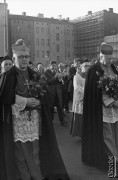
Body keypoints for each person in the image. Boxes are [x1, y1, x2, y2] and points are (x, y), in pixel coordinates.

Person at [0, 39, 70, 180]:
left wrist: (39, 100)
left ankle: (36, 176)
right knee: (20, 153)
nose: (24, 60)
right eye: (20, 57)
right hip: (17, 121)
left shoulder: (35, 75)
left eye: (26, 57)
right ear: (14, 58)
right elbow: (4, 99)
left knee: (35, 150)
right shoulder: (7, 76)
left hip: (35, 120)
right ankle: (24, 176)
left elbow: (44, 95)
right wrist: (25, 101)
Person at [82, 42, 118, 171]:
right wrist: (111, 101)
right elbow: (95, 92)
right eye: (108, 59)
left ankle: (114, 154)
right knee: (107, 135)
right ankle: (113, 158)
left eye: (111, 59)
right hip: (102, 109)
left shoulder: (112, 68)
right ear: (101, 56)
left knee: (114, 132)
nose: (110, 61)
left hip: (116, 108)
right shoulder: (94, 70)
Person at [45, 60, 69, 126]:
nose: (54, 66)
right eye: (52, 65)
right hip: (51, 92)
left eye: (55, 65)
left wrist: (61, 79)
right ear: (49, 66)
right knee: (51, 107)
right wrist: (55, 77)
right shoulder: (47, 72)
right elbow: (48, 82)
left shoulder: (57, 71)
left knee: (60, 106)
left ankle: (62, 120)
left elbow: (59, 82)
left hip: (58, 92)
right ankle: (51, 120)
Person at [70, 62, 90, 138]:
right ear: (81, 67)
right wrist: (87, 90)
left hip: (88, 98)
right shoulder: (77, 76)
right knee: (80, 116)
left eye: (88, 66)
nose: (87, 67)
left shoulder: (89, 75)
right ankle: (81, 133)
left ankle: (88, 133)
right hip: (80, 98)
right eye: (85, 66)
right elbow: (77, 87)